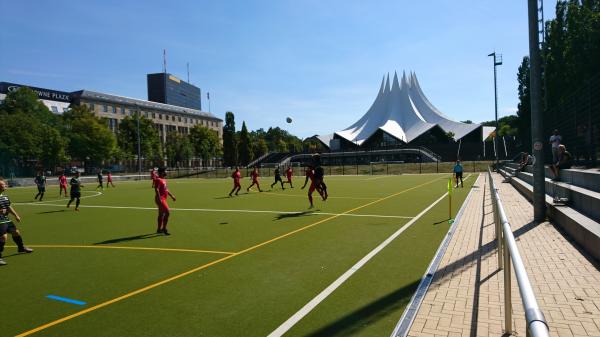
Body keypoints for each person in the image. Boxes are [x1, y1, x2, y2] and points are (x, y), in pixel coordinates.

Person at [0, 178, 34, 266]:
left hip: (5, 219)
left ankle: (21, 248)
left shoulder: (5, 197)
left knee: (16, 232)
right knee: (3, 237)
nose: (5, 185)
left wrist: (16, 215)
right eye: (3, 184)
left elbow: (8, 207)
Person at [155, 167, 176, 235]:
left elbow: (166, 189)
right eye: (165, 171)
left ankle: (159, 229)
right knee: (167, 212)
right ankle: (164, 228)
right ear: (162, 172)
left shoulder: (164, 180)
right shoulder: (158, 179)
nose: (166, 172)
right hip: (160, 199)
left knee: (161, 214)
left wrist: (171, 195)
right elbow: (156, 189)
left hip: (163, 198)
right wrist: (159, 198)